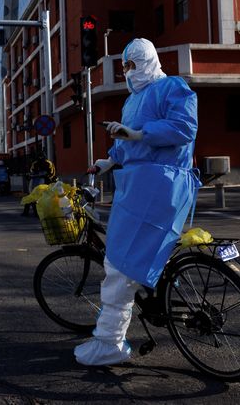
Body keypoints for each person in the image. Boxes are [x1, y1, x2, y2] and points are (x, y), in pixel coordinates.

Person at [74, 38, 201, 367]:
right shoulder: (132, 101)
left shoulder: (172, 87)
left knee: (120, 265)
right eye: (125, 66)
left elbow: (184, 127)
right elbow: (126, 143)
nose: (129, 71)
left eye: (133, 64)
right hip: (135, 187)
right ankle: (113, 334)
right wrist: (108, 160)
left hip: (161, 184)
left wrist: (138, 134)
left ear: (150, 60)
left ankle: (109, 342)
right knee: (121, 260)